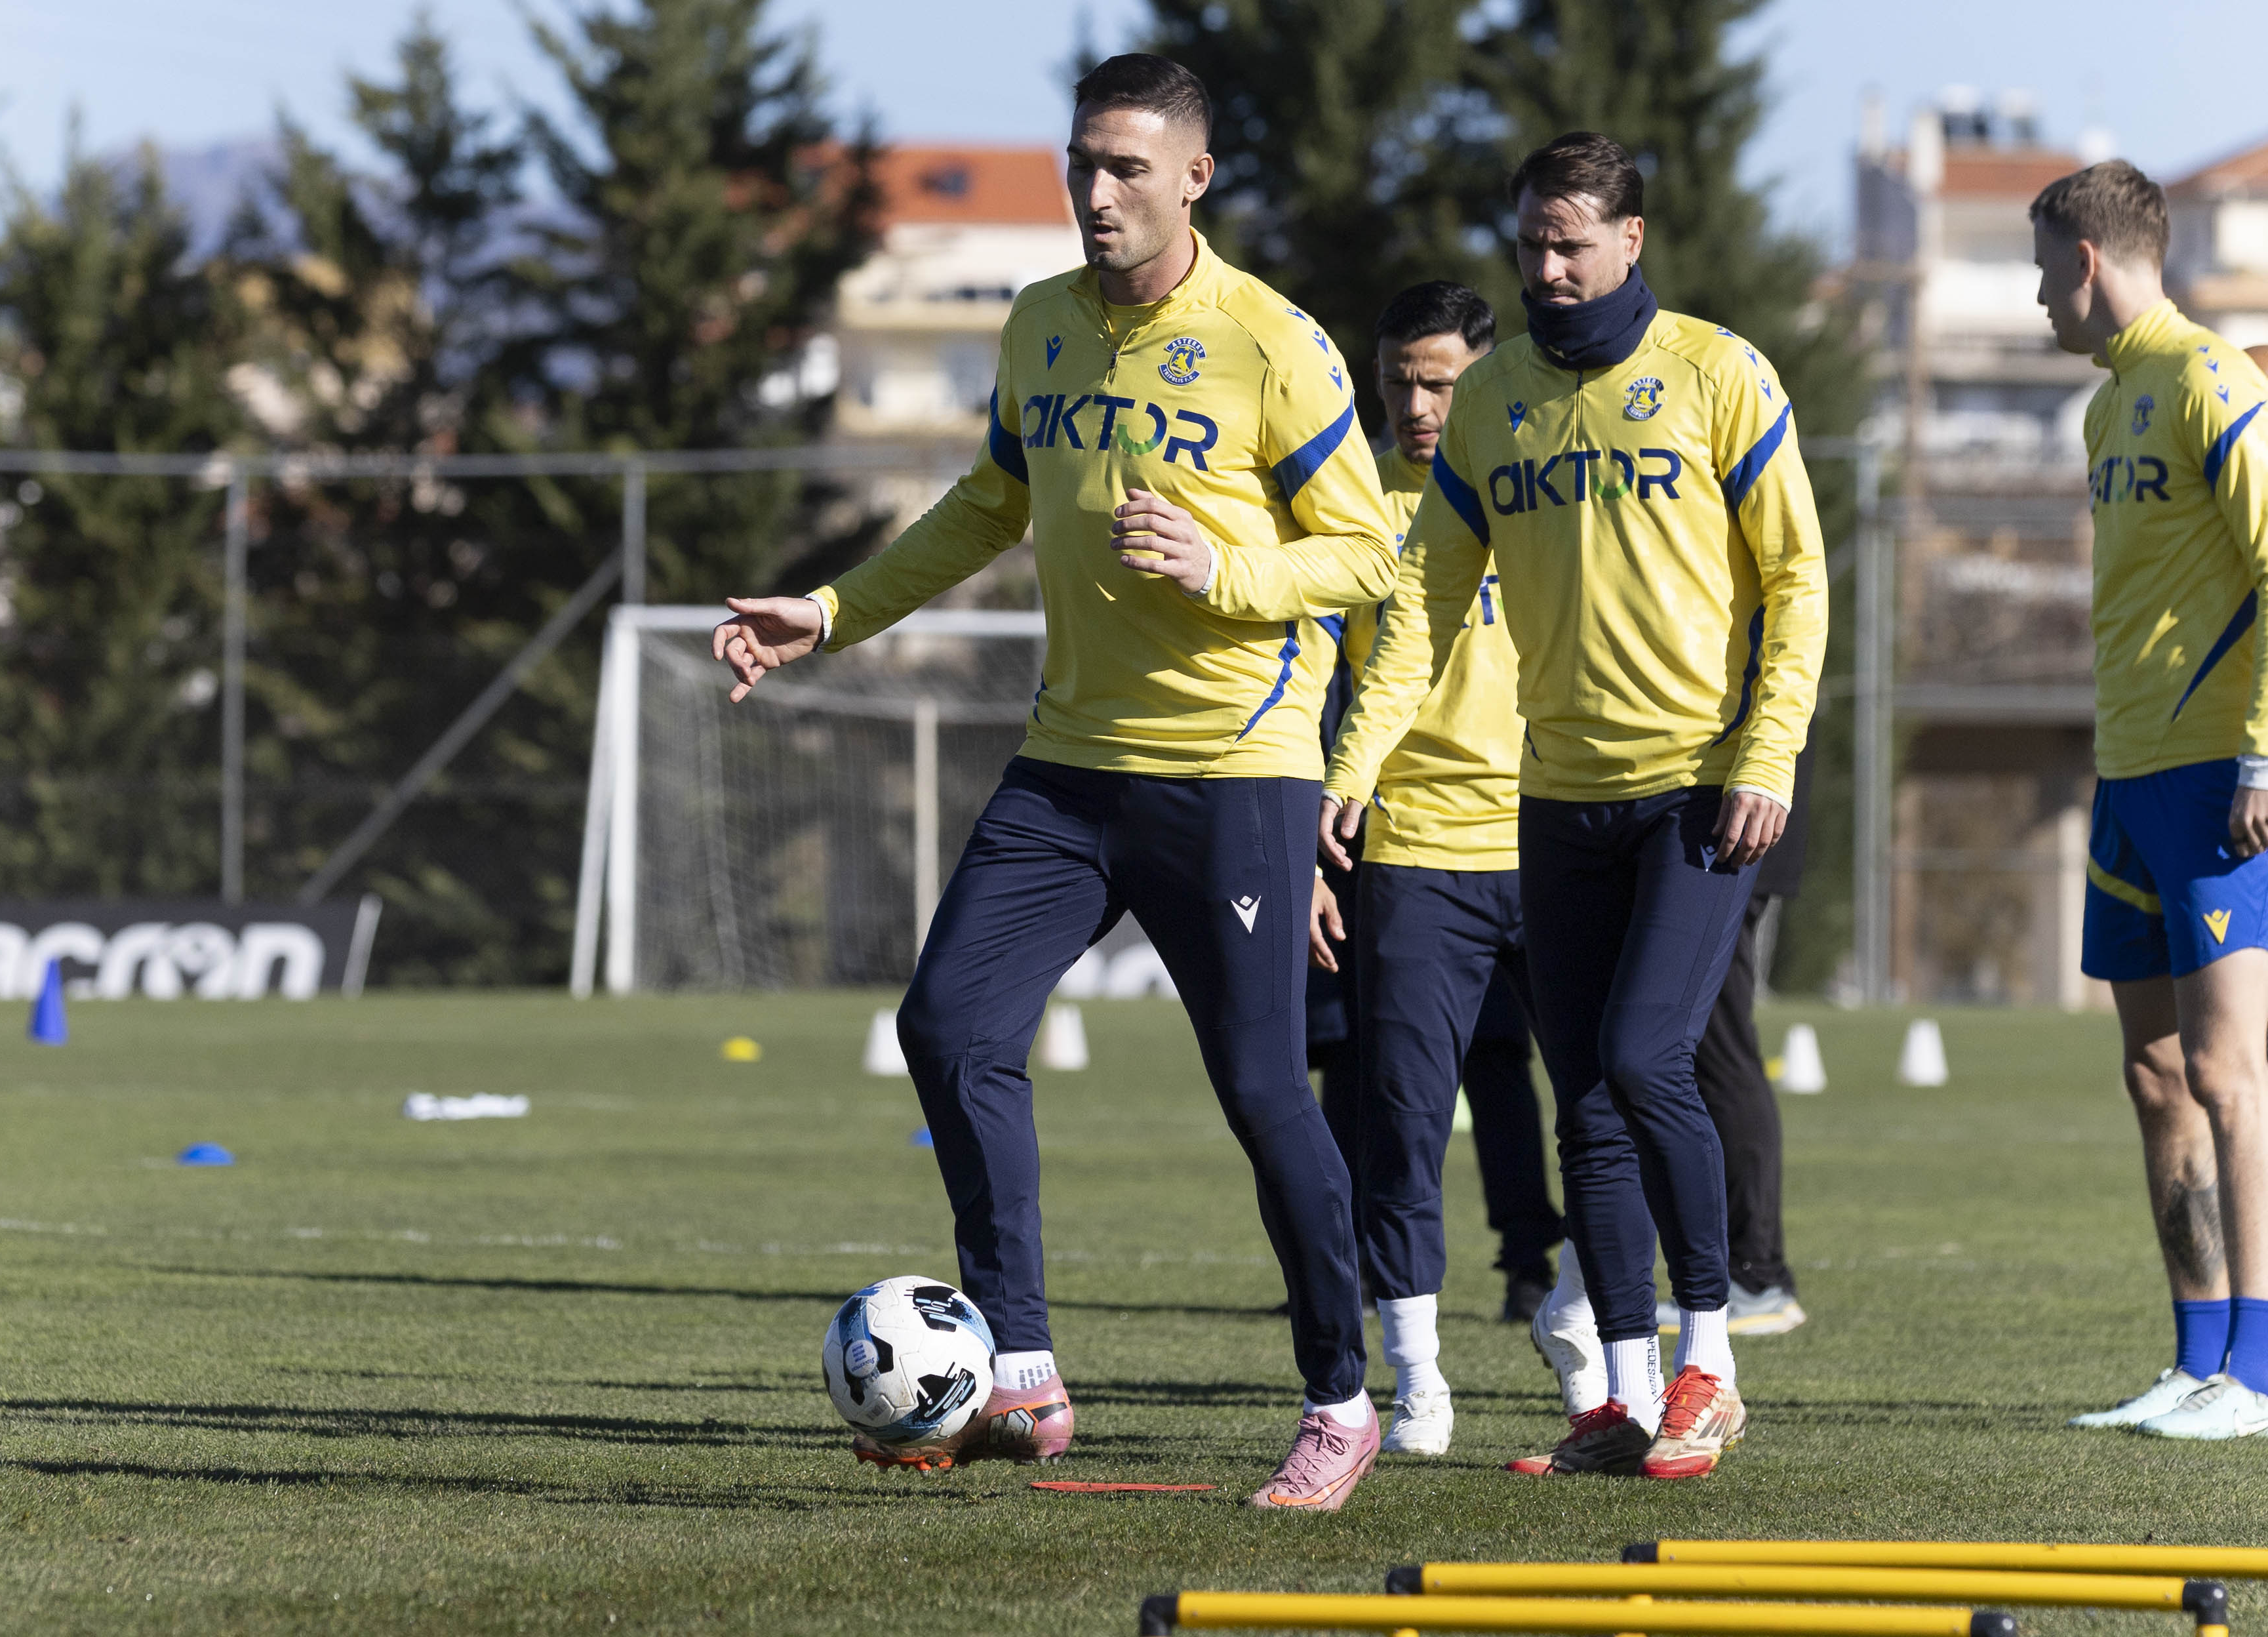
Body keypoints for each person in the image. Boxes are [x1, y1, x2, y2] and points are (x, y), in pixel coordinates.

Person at [713, 54, 1401, 1508]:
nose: (1096, 191)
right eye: (1081, 162)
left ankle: (1340, 1401)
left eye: (1127, 168)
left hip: (1233, 774)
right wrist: (828, 613)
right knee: (947, 1024)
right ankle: (1018, 1368)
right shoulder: (1037, 323)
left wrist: (1223, 570)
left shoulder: (1273, 342)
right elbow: (989, 504)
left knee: (1263, 1090)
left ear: (1194, 179)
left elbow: (1366, 558)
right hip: (1070, 766)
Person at [1332, 131, 1826, 1480]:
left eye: (1570, 244)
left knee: (1646, 1058)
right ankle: (1619, 1398)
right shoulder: (1491, 399)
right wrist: (1354, 764)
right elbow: (1426, 603)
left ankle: (1708, 1366)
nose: (1546, 269)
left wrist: (1768, 754)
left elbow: (1797, 578)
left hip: (1696, 790)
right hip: (1554, 800)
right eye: (1529, 245)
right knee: (1587, 1106)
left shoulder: (1719, 374)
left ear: (1630, 240)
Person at [1309, 279, 1572, 1457]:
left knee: (1607, 1106)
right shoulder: (1348, 507)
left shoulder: (1541, 483)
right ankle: (1416, 1380)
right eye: (1398, 384)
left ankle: (1588, 1327)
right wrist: (1312, 841)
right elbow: (1312, 683)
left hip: (1557, 837)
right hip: (1411, 848)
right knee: (1400, 1120)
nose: (1417, 407)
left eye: (1441, 385)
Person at [2032, 161, 2268, 1441]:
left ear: (2084, 260)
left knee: (2230, 1072)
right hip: (2125, 776)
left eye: (2040, 273)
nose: (2037, 301)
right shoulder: (2103, 406)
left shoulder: (2207, 379)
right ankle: (2197, 1358)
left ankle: (2259, 1377)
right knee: (2154, 1073)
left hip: (2217, 779)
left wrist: (2262, 759)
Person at [1657, 742, 1816, 1338]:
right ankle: (1754, 1272)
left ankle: (1755, 1275)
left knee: (1718, 1048)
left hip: (1731, 819)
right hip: (1726, 816)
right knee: (1709, 1046)